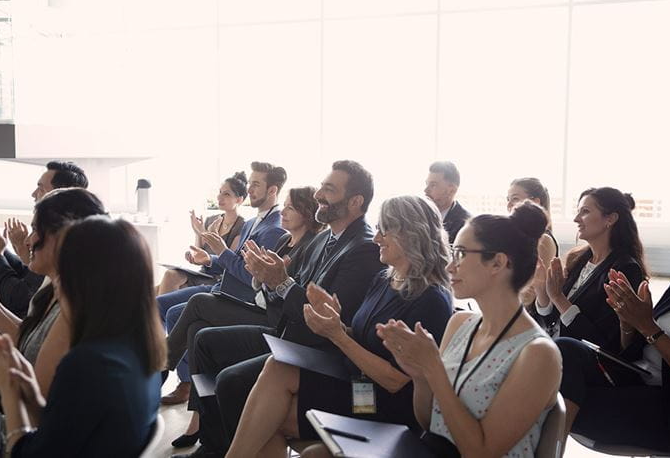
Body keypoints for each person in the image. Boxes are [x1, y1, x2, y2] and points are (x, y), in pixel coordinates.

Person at [177, 160, 384, 457]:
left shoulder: (363, 248)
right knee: (204, 341)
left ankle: (233, 446)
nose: (319, 196)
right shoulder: (325, 237)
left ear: (355, 201)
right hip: (287, 331)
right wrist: (266, 280)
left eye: (328, 189)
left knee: (231, 380)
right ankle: (214, 442)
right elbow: (290, 287)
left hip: (317, 348)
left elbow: (326, 319)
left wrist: (281, 282)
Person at [226, 196, 454, 458]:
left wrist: (337, 336)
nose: (376, 238)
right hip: (360, 385)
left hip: (386, 403)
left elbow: (397, 381)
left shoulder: (431, 299)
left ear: (411, 234)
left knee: (268, 415)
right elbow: (361, 338)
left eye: (384, 231)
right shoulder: (385, 278)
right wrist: (336, 324)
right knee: (274, 378)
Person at [0, 217, 166, 457]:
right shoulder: (139, 348)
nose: (55, 281)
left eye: (62, 269)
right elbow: (61, 425)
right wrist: (24, 381)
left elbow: (26, 452)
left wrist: (0, 376)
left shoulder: (86, 362)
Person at [375, 202, 562, 457]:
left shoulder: (538, 354)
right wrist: (420, 375)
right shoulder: (460, 324)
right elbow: (430, 424)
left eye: (461, 254)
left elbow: (480, 452)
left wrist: (434, 370)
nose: (451, 266)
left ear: (497, 263)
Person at [0, 188, 105, 422]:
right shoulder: (64, 288)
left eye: (35, 229)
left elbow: (37, 406)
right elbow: (31, 341)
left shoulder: (75, 304)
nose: (27, 240)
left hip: (19, 411)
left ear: (60, 237)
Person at [161, 186, 321, 409]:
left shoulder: (309, 247)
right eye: (284, 207)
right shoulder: (285, 240)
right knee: (194, 327)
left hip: (272, 317)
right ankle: (201, 417)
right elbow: (258, 277)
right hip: (258, 304)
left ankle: (161, 365)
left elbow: (277, 289)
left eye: (290, 208)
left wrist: (228, 255)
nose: (283, 212)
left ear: (306, 212)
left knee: (198, 303)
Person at [555, 223, 670, 453]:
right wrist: (627, 324)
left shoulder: (626, 264)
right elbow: (633, 349)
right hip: (635, 376)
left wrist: (648, 327)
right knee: (563, 350)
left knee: (563, 402)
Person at [156, 161, 287, 329]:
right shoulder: (251, 223)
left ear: (272, 190)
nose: (249, 190)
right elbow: (236, 263)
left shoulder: (274, 229)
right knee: (159, 304)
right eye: (249, 183)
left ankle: (167, 354)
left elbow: (253, 278)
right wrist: (209, 259)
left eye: (255, 184)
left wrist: (222, 250)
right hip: (221, 288)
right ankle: (159, 353)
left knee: (173, 313)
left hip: (236, 298)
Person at [0, 161, 89, 317]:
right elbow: (30, 278)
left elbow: (19, 298)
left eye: (41, 188)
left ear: (59, 194)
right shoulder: (67, 229)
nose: (33, 194)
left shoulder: (63, 237)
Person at [535, 187, 647, 352]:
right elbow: (553, 322)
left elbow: (603, 343)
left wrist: (558, 297)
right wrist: (542, 290)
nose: (576, 219)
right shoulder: (578, 259)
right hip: (556, 352)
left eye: (585, 212)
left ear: (610, 219)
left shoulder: (625, 269)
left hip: (583, 365)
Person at [156, 172, 247, 295]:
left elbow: (227, 263)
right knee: (164, 280)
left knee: (163, 284)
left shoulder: (242, 226)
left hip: (218, 278)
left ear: (239, 199)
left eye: (226, 194)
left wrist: (204, 232)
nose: (220, 197)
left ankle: (158, 313)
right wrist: (197, 233)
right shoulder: (211, 220)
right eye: (220, 192)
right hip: (201, 272)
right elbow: (199, 251)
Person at [506, 178, 559, 312]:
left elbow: (532, 291)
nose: (509, 204)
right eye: (508, 199)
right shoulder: (517, 237)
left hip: (528, 314)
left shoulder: (544, 240)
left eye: (515, 199)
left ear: (535, 202)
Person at [425, 161, 470, 242]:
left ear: (451, 190)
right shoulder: (420, 216)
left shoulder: (466, 225)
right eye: (426, 184)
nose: (426, 190)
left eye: (433, 185)